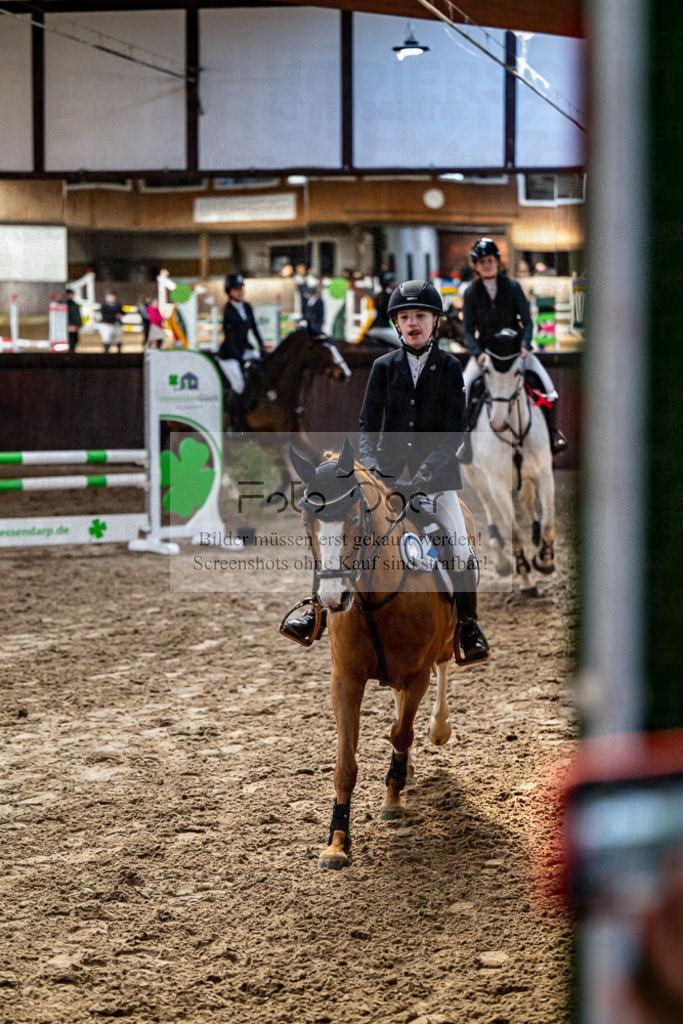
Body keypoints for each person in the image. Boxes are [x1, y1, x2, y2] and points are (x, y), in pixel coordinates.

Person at [283, 279, 490, 666]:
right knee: (336, 533)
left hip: (437, 484)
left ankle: (467, 626)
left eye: (421, 316)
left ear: (435, 322)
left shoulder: (449, 368)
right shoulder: (382, 367)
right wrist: (374, 467)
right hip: (387, 482)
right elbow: (367, 425)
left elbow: (454, 432)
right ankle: (316, 610)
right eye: (405, 317)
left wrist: (427, 473)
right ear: (397, 324)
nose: (413, 323)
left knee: (460, 551)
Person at [462, 238, 567, 458]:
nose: (486, 265)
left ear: (497, 261)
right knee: (463, 388)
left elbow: (527, 322)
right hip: (487, 352)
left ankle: (551, 435)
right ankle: (464, 443)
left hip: (515, 351)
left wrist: (526, 346)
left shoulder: (513, 286)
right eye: (481, 262)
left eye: (490, 260)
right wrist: (478, 353)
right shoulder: (471, 292)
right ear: (476, 266)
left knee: (549, 389)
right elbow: (469, 330)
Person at [217, 273, 267, 430]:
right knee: (238, 385)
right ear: (229, 292)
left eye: (241, 288)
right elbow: (230, 339)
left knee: (264, 366)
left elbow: (254, 328)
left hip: (245, 349)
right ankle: (233, 419)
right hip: (229, 355)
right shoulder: (228, 312)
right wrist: (240, 360)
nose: (240, 292)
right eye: (236, 289)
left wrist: (262, 346)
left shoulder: (247, 307)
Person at [63, 288, 82, 354]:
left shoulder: (73, 304)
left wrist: (77, 324)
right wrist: (70, 324)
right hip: (69, 326)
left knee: (74, 340)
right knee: (70, 340)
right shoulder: (66, 304)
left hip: (73, 325)